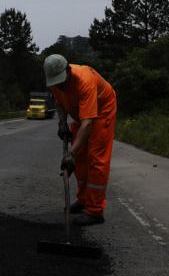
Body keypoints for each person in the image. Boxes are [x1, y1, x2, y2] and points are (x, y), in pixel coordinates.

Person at [43, 54, 117, 226]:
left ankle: (95, 210)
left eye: (62, 82)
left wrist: (71, 153)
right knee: (80, 159)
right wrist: (62, 124)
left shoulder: (85, 81)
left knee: (96, 158)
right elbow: (60, 103)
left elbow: (88, 124)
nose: (59, 86)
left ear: (68, 70)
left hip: (101, 111)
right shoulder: (54, 82)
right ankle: (83, 199)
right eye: (56, 83)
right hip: (81, 115)